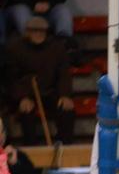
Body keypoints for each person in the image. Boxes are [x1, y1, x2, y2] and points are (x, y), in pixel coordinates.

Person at [5, 15, 75, 144]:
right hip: (27, 93)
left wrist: (65, 95)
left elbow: (64, 73)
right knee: (26, 112)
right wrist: (22, 98)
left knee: (67, 110)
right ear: (27, 32)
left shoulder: (57, 48)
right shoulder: (15, 49)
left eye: (41, 31)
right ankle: (32, 149)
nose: (38, 34)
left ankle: (64, 147)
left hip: (50, 91)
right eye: (34, 30)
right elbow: (11, 78)